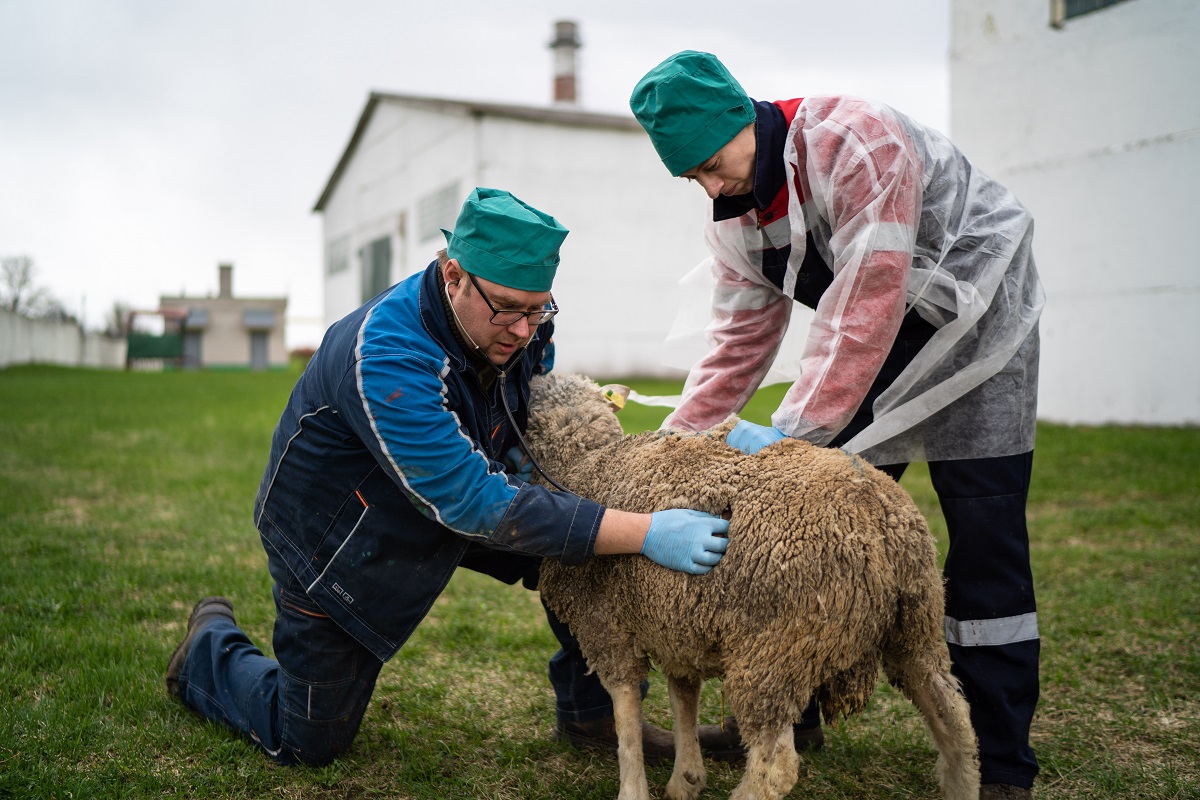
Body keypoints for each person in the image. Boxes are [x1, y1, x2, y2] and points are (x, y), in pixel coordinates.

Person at [165, 187, 731, 767]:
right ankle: (207, 648)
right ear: (453, 275)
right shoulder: (387, 357)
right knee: (307, 739)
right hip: (337, 535)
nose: (523, 329)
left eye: (540, 309)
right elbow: (475, 505)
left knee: (584, 551)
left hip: (448, 489)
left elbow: (520, 411)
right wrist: (644, 530)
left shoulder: (519, 328)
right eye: (509, 308)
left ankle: (595, 712)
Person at [629, 52, 1045, 800]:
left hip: (979, 330)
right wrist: (667, 454)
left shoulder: (857, 143)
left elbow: (865, 304)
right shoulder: (737, 218)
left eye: (714, 166)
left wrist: (790, 436)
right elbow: (735, 348)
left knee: (984, 541)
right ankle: (794, 711)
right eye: (692, 178)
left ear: (741, 120)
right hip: (873, 344)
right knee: (820, 537)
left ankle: (999, 759)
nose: (712, 188)